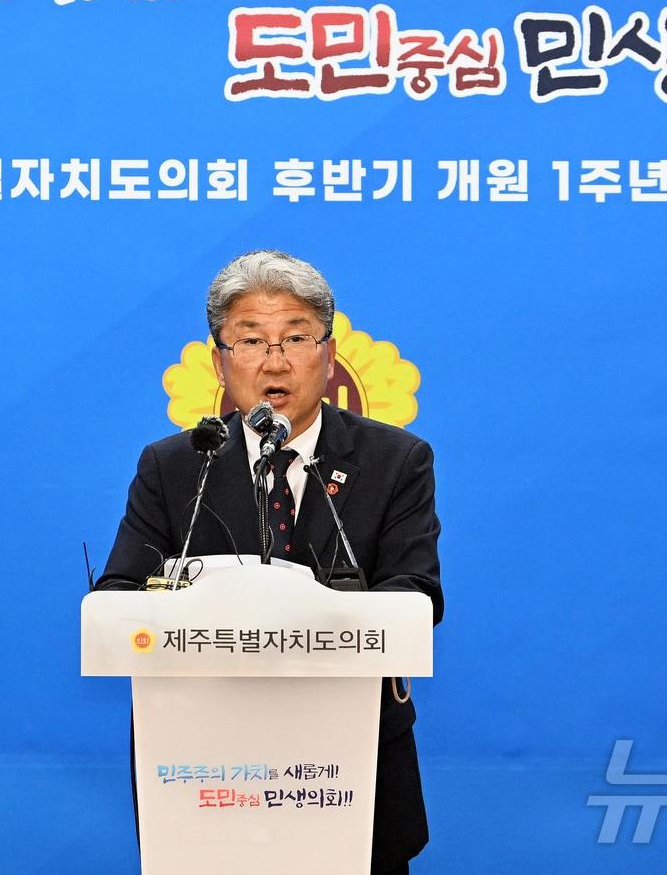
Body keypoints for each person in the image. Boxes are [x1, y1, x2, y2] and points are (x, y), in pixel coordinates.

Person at [96, 249, 443, 874]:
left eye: (295, 339)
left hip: (349, 769)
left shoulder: (396, 460)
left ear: (328, 356)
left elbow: (416, 592)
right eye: (250, 340)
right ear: (219, 361)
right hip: (206, 771)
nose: (273, 361)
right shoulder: (174, 467)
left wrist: (311, 612)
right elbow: (120, 592)